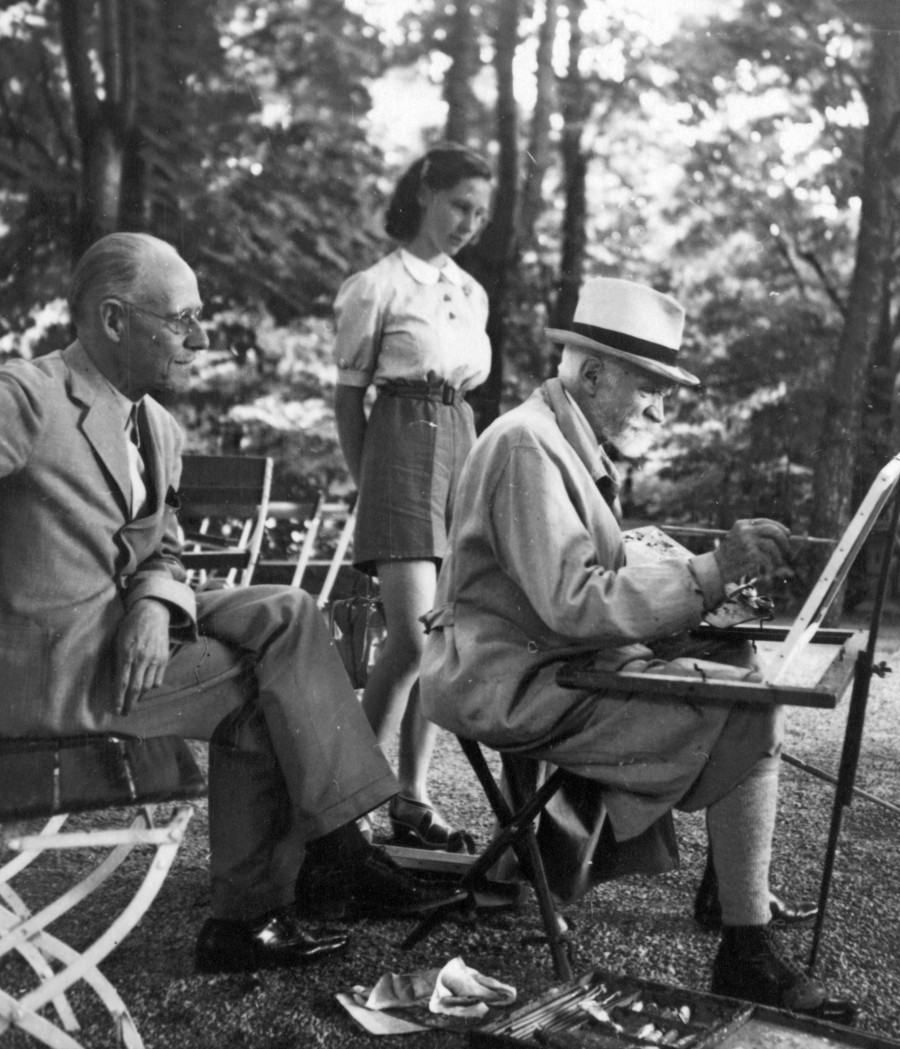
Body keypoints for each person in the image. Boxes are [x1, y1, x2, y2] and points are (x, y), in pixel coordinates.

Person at [0, 232, 453, 977]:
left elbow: (164, 550)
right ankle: (281, 892)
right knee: (261, 689)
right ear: (113, 319)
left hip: (121, 634)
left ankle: (311, 870)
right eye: (182, 320)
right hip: (52, 673)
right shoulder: (27, 395)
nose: (201, 340)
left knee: (290, 612)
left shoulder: (158, 427)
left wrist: (155, 605)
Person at [418, 276, 855, 1020]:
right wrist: (709, 574)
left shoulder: (561, 436)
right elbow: (574, 600)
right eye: (650, 388)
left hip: (547, 661)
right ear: (592, 374)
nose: (659, 409)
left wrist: (704, 587)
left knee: (736, 661)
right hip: (507, 679)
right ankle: (743, 948)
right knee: (749, 707)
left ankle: (732, 888)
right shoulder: (527, 446)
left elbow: (584, 576)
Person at [332, 143, 492, 853]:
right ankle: (349, 798)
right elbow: (347, 397)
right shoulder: (378, 286)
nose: (468, 223)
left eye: (480, 214)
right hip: (397, 444)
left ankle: (412, 796)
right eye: (460, 205)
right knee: (413, 635)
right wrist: (366, 478)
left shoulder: (471, 291)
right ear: (425, 191)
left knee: (445, 633)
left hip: (461, 440)